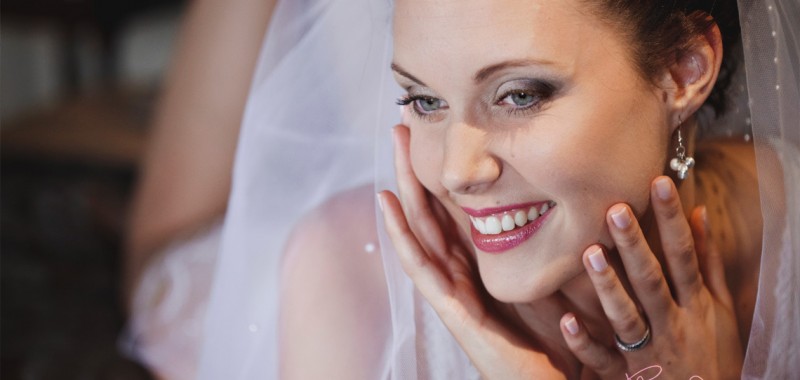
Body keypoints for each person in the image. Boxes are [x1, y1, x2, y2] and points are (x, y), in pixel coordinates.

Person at [134, 0, 797, 378]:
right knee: (161, 278)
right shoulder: (338, 274)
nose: (455, 171)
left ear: (686, 69)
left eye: (519, 94)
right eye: (420, 101)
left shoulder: (788, 220)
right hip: (285, 275)